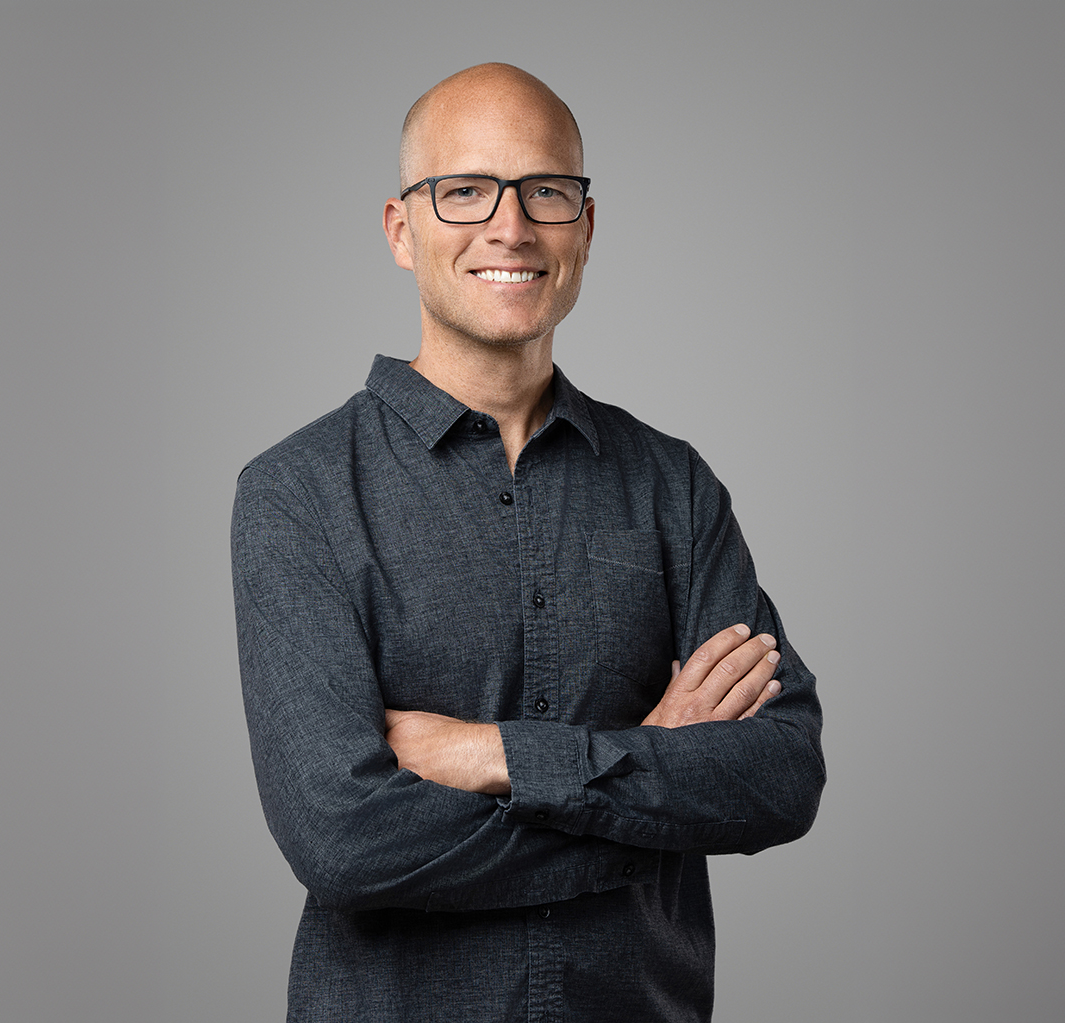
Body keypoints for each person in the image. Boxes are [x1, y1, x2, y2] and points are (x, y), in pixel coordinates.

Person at [232, 62, 824, 1022]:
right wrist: (645, 771)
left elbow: (781, 773)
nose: (510, 227)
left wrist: (490, 753)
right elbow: (342, 838)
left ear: (584, 227)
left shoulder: (672, 483)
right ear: (400, 228)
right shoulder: (296, 493)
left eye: (546, 191)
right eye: (463, 191)